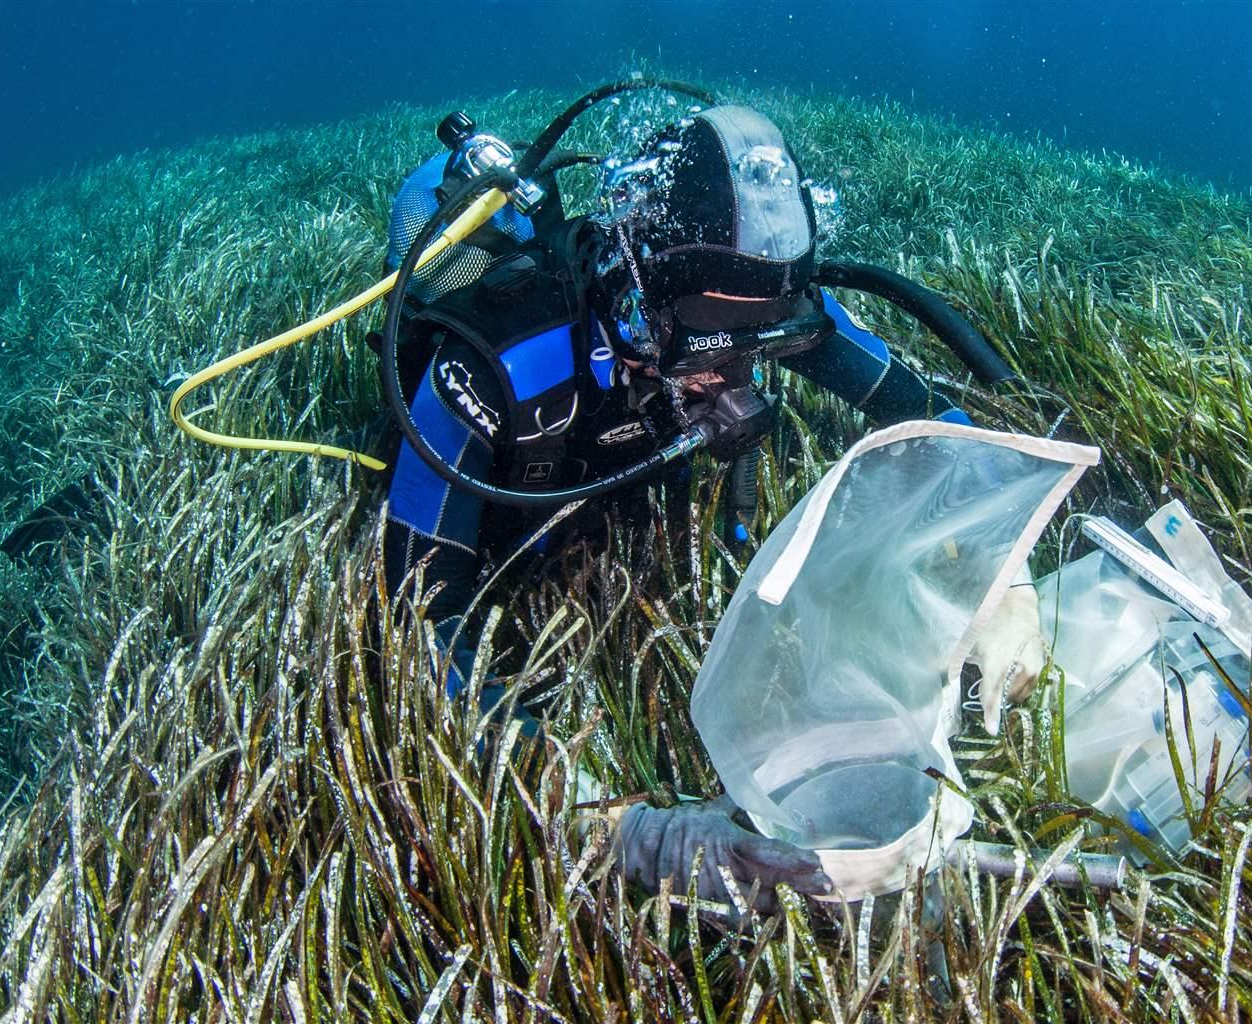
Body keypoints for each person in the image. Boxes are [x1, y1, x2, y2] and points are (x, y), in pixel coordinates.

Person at [378, 101, 1006, 915]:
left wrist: (1006, 577)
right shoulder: (495, 359)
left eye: (767, 335)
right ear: (636, 288)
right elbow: (420, 607)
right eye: (711, 334)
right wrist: (614, 824)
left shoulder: (771, 304)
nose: (738, 369)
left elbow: (931, 424)